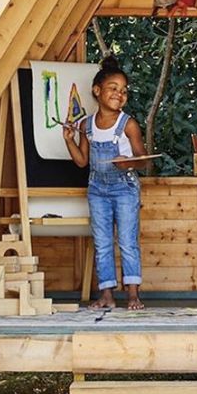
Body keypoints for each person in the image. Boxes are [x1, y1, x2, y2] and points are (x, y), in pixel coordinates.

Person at [63, 56, 148, 310]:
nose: (119, 94)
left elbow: (144, 159)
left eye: (123, 91)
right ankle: (107, 296)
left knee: (127, 241)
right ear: (97, 91)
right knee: (101, 243)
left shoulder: (128, 124)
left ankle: (133, 295)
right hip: (97, 190)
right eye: (113, 88)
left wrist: (129, 163)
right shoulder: (86, 124)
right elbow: (81, 162)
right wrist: (69, 140)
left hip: (125, 189)